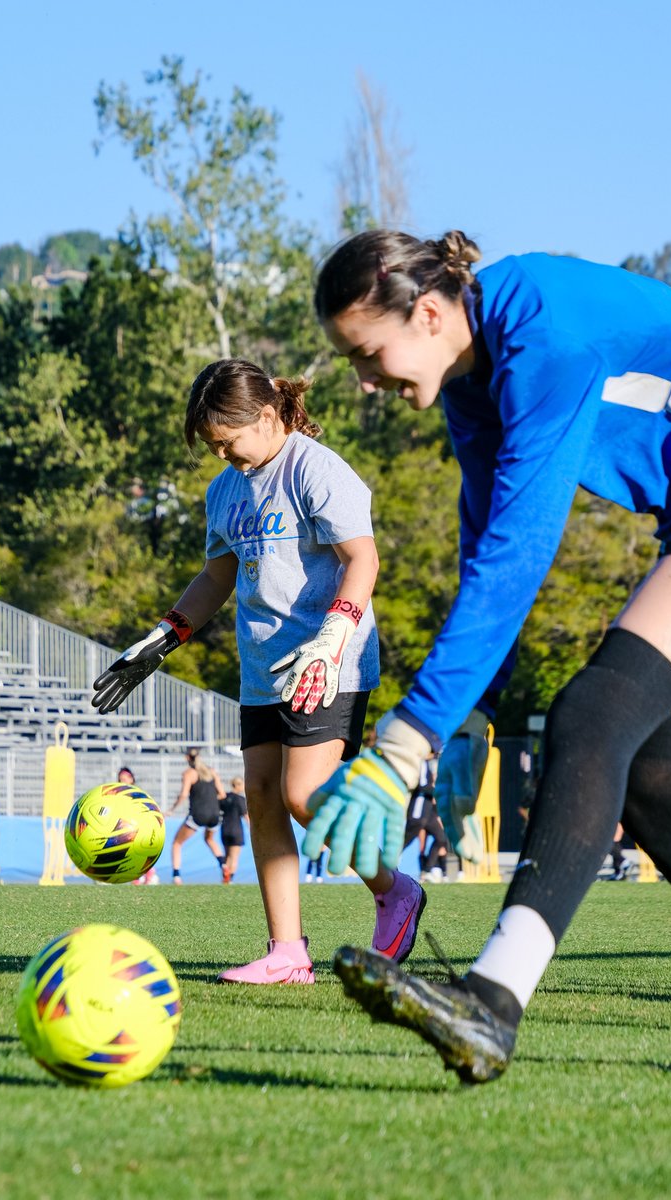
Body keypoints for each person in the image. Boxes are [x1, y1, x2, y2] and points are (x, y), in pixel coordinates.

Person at [303, 228, 671, 1079]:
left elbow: (519, 556)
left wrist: (405, 743)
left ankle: (491, 1002)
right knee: (657, 781)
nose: (365, 381)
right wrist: (467, 712)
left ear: (427, 313)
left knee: (593, 716)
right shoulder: (472, 380)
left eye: (367, 354)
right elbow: (483, 551)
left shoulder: (542, 330)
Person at [92, 358, 425, 982]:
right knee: (266, 801)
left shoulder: (315, 469)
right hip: (262, 668)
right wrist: (163, 639)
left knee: (302, 795)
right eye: (213, 445)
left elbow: (363, 558)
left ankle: (395, 890)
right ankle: (287, 952)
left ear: (268, 416)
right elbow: (217, 576)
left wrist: (332, 637)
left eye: (229, 440)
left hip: (327, 661)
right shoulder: (225, 491)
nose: (223, 454)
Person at [169, 749, 228, 884]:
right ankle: (224, 865)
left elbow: (184, 794)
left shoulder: (189, 773)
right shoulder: (211, 771)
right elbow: (222, 794)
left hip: (198, 814)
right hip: (215, 814)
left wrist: (172, 809)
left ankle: (176, 876)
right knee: (209, 839)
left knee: (177, 843)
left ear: (187, 758)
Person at [120, 765, 160, 886]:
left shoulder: (137, 793)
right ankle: (137, 878)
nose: (123, 781)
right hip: (125, 828)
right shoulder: (118, 794)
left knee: (140, 851)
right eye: (121, 779)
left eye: (125, 778)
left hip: (138, 827)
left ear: (131, 779)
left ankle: (149, 874)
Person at [220, 776, 249, 883]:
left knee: (227, 855)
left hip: (225, 829)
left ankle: (225, 876)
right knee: (234, 856)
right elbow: (246, 816)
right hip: (236, 829)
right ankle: (230, 878)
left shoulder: (224, 797)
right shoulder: (240, 799)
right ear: (237, 785)